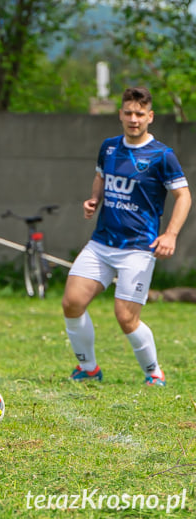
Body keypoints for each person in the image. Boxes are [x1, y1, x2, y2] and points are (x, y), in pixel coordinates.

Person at [62, 87, 191, 387]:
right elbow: (101, 176)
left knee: (125, 317)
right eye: (129, 113)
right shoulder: (109, 148)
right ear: (120, 114)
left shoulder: (162, 155)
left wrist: (170, 235)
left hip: (138, 248)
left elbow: (183, 196)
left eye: (140, 114)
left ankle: (153, 372)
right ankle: (89, 369)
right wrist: (94, 199)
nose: (134, 119)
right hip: (102, 242)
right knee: (72, 302)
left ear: (150, 117)